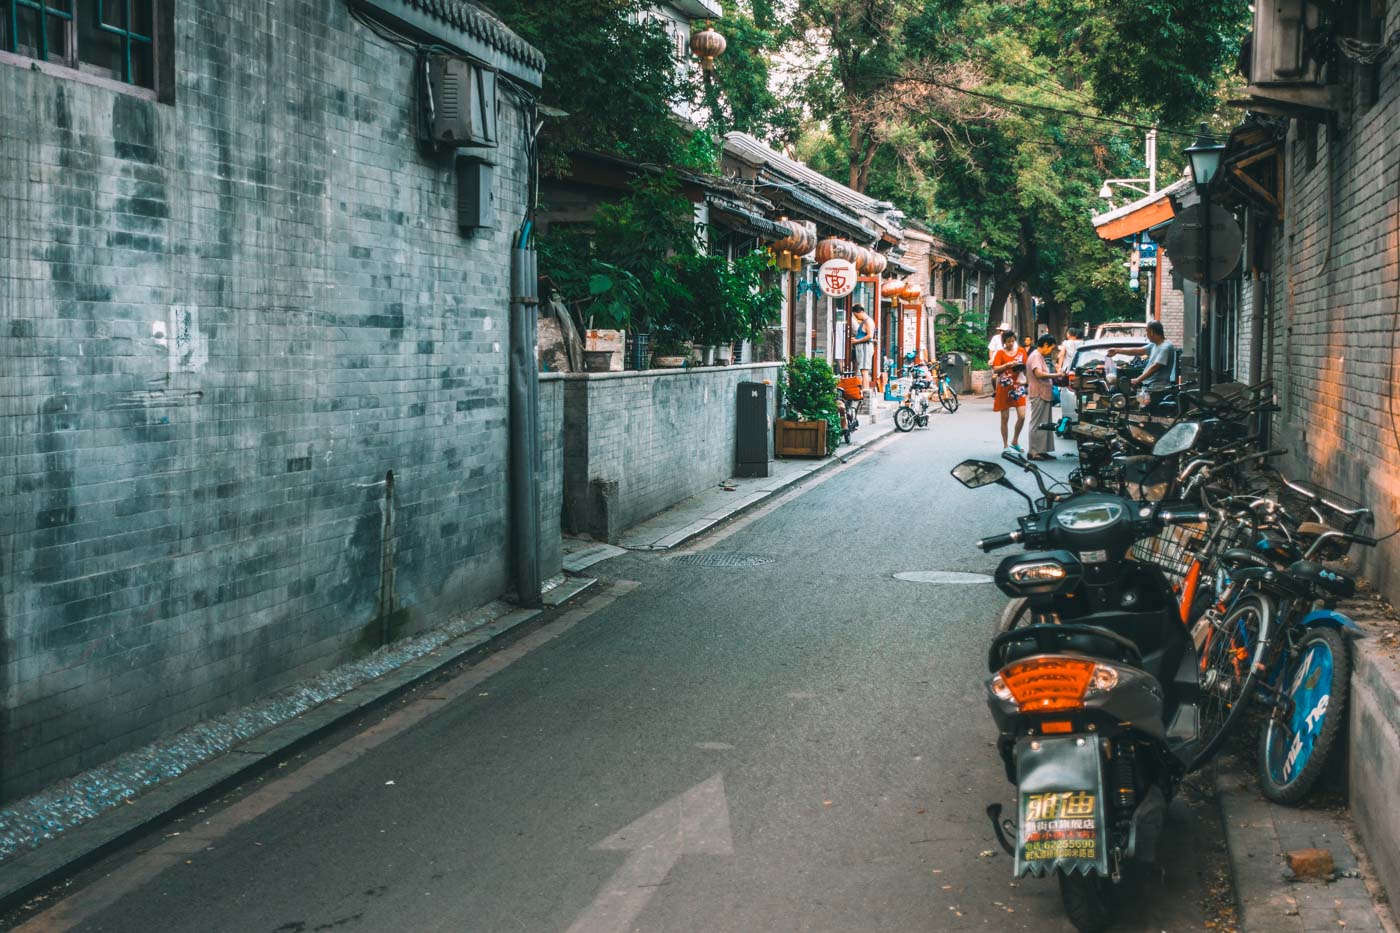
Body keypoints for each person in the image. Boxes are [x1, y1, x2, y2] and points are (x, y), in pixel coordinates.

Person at [1026, 334, 1062, 461]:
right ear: (1045, 344)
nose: (1050, 351)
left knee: (1045, 423)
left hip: (1044, 393)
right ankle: (1034, 451)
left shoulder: (1038, 356)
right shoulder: (1036, 355)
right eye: (1051, 348)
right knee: (1037, 423)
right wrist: (1056, 374)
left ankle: (1042, 450)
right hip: (1039, 392)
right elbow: (1038, 373)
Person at [991, 331, 1027, 452]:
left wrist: (1026, 379)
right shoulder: (1000, 353)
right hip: (1004, 386)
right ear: (1004, 342)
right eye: (1008, 341)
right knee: (1004, 417)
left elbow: (1027, 366)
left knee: (1022, 416)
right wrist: (1007, 365)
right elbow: (995, 369)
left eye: (1013, 341)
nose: (1011, 343)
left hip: (1018, 385)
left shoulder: (1022, 351)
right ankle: (1005, 445)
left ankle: (1015, 440)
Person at [1122, 320, 1176, 391]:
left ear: (1152, 332)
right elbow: (1137, 351)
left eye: (1147, 332)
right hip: (1149, 387)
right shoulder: (1154, 345)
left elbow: (1155, 367)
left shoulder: (1165, 347)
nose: (1146, 335)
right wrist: (1117, 351)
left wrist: (1138, 379)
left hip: (1158, 389)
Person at [850, 304, 875, 392]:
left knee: (865, 371)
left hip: (865, 348)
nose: (857, 317)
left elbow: (870, 335)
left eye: (857, 315)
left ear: (861, 312)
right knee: (863, 370)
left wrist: (857, 341)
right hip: (862, 348)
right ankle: (865, 390)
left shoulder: (868, 321)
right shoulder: (863, 321)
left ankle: (865, 391)